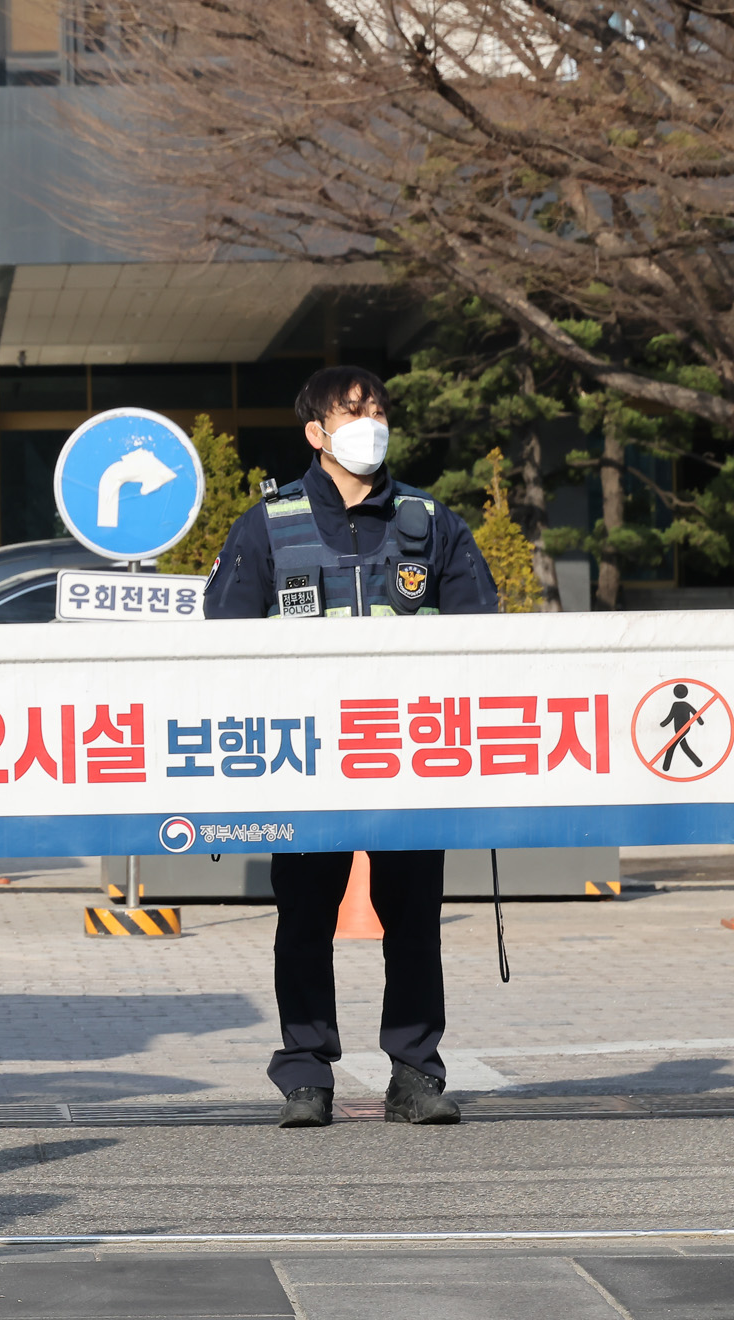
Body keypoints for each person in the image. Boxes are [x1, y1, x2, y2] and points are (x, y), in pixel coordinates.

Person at [203, 364, 498, 1129]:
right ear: (316, 433)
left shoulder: (434, 524)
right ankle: (306, 1074)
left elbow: (489, 641)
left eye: (377, 410)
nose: (370, 423)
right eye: (352, 411)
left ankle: (414, 1073)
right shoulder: (268, 524)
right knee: (304, 922)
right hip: (303, 766)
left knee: (415, 923)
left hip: (408, 760)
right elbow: (219, 646)